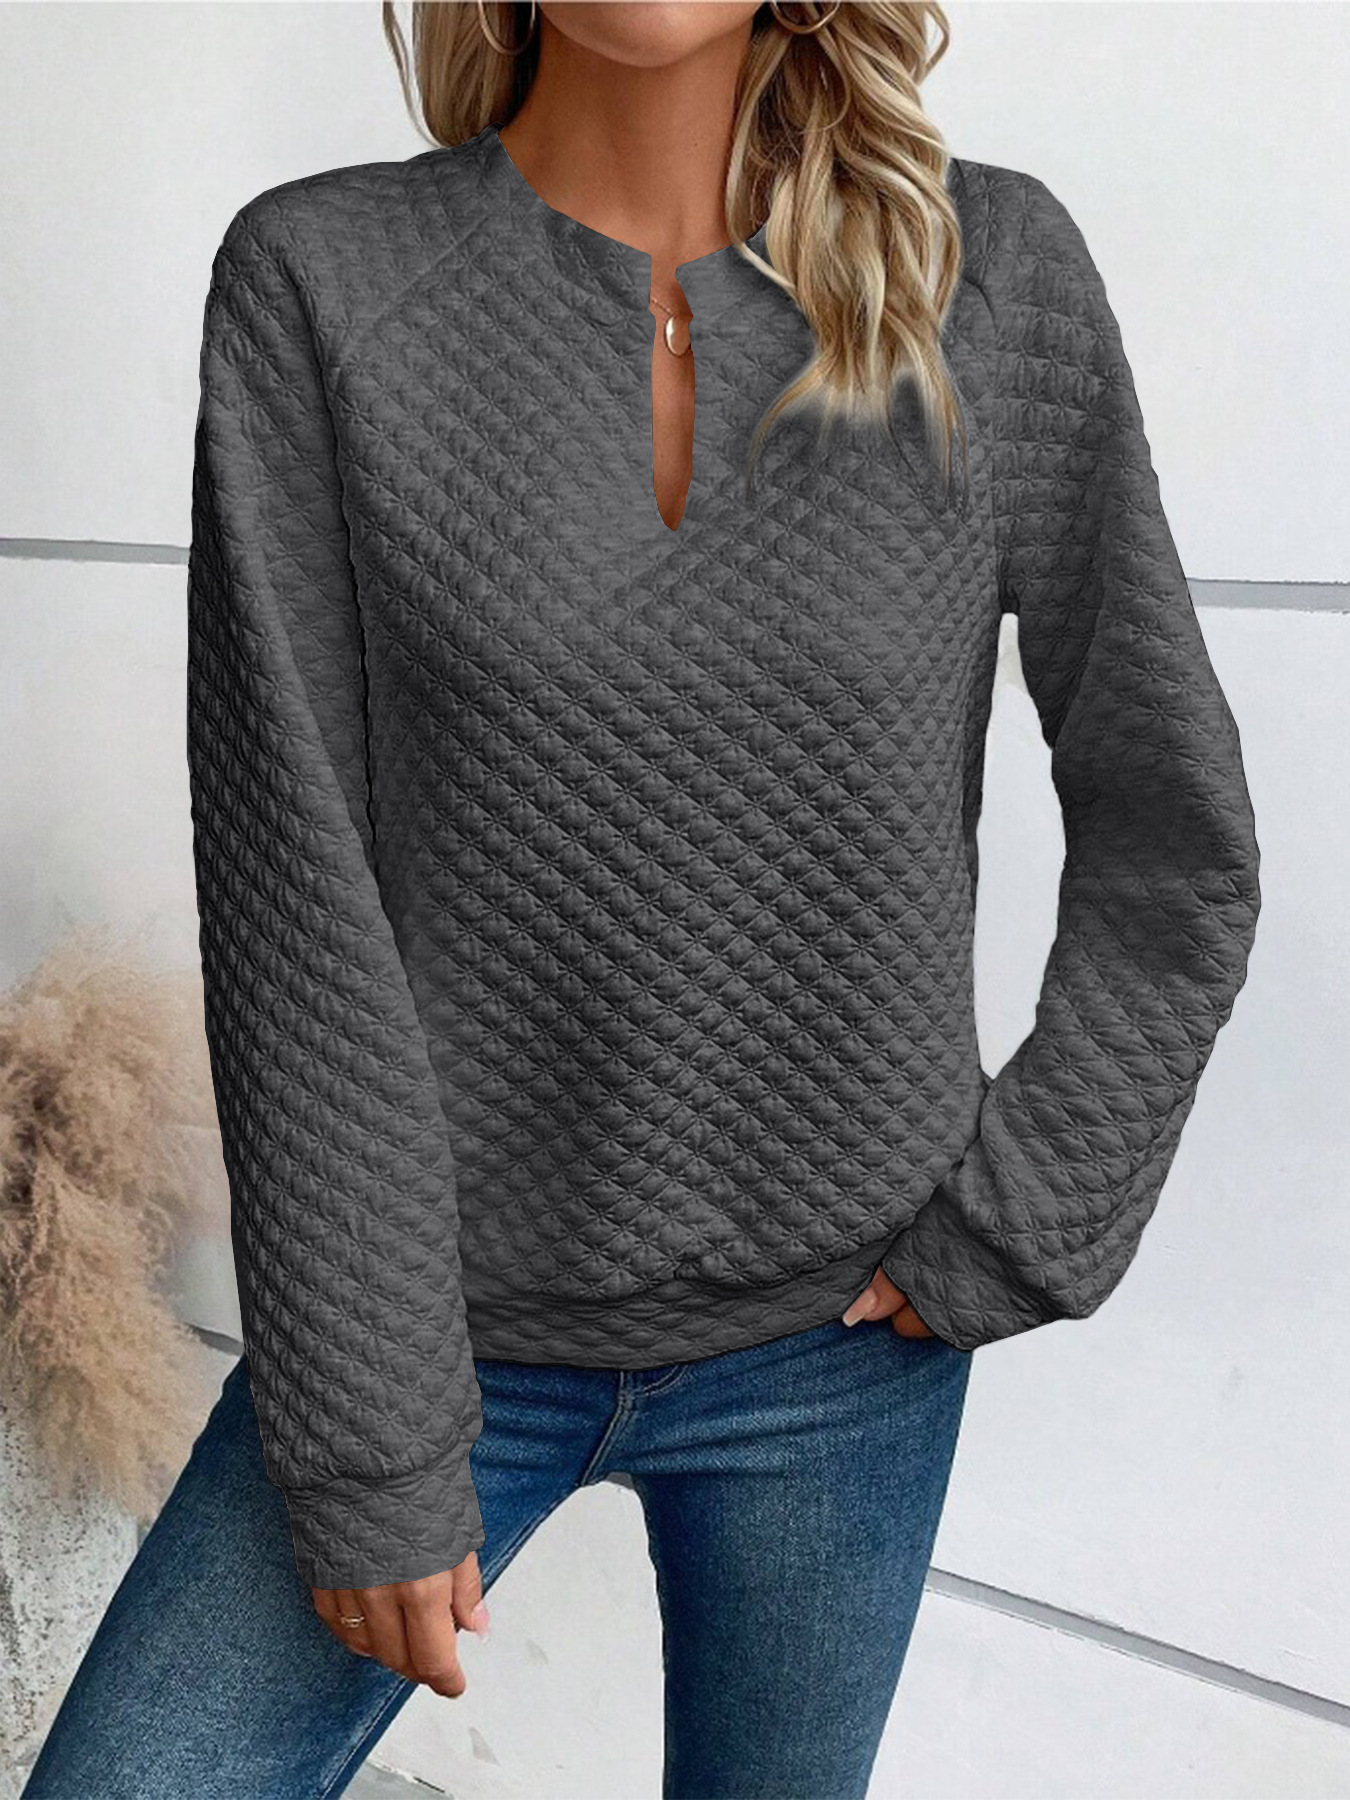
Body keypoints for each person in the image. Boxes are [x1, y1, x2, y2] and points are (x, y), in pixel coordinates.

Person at [21, 2, 1262, 1797]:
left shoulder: (988, 282)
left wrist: (1022, 1218)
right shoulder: (322, 283)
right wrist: (369, 1438)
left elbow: (1175, 830)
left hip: (845, 1355)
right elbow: (296, 909)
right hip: (429, 1333)